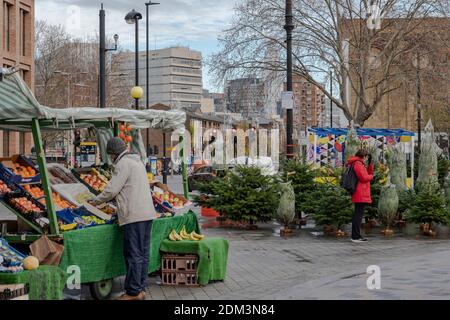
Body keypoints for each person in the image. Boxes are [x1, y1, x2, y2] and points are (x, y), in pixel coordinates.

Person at [89, 137, 157, 300]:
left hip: (134, 215)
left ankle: (132, 292)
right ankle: (139, 289)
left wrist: (94, 201)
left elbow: (112, 190)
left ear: (113, 154)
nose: (111, 158)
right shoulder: (137, 162)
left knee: (133, 253)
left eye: (110, 155)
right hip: (146, 213)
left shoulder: (123, 164)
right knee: (142, 253)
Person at [346, 149, 374, 243]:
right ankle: (355, 236)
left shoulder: (359, 163)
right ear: (363, 156)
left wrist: (370, 165)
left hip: (360, 192)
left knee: (358, 214)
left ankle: (356, 235)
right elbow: (364, 177)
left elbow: (367, 173)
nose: (366, 159)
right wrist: (371, 177)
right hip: (360, 192)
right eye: (366, 157)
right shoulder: (358, 164)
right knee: (358, 215)